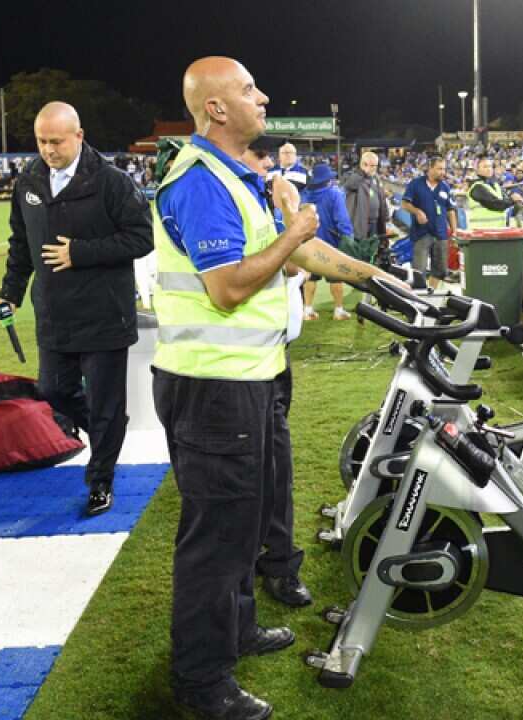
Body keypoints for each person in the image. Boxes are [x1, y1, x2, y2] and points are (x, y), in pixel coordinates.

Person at [152, 57, 399, 719]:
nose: (263, 97)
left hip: (246, 381)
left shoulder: (239, 176)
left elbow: (304, 256)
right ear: (216, 110)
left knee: (243, 524)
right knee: (217, 539)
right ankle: (202, 684)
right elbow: (230, 287)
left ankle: (234, 630)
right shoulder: (202, 182)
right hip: (214, 389)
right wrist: (294, 228)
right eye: (248, 89)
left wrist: (381, 280)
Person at [0, 101, 153, 517]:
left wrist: (80, 253)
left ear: (79, 136)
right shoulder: (27, 181)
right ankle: (110, 428)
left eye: (56, 141)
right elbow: (20, 243)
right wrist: (10, 290)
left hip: (104, 314)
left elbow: (142, 238)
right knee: (53, 391)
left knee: (103, 405)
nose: (48, 149)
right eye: (42, 141)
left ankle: (100, 480)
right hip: (54, 313)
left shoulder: (112, 182)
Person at [237, 139, 313, 610]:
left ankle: (280, 562)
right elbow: (238, 282)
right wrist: (292, 222)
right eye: (260, 161)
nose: (267, 170)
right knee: (247, 477)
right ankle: (250, 571)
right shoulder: (219, 195)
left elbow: (298, 264)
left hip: (272, 355)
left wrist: (373, 278)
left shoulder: (265, 197)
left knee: (277, 468)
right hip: (232, 364)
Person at [299, 163, 354, 320]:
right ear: (327, 179)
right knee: (335, 277)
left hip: (309, 243)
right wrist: (348, 236)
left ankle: (307, 309)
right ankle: (338, 310)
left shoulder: (304, 194)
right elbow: (342, 219)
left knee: (310, 277)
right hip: (330, 244)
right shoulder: (334, 194)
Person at [401, 156, 458, 289]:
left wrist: (454, 231)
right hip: (422, 233)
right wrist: (417, 212)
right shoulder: (415, 184)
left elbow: (451, 210)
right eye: (439, 169)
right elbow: (404, 203)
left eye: (444, 169)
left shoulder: (445, 187)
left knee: (440, 270)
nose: (443, 172)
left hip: (441, 234)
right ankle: (418, 298)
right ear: (430, 168)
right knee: (418, 271)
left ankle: (430, 294)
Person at [341, 151, 392, 265]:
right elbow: (350, 185)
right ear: (363, 164)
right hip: (359, 223)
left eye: (375, 165)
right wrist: (362, 172)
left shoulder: (376, 179)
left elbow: (382, 198)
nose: (374, 168)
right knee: (358, 253)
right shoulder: (351, 175)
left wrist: (387, 218)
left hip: (375, 223)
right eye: (372, 165)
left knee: (372, 252)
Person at [467, 155, 522, 226]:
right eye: (485, 167)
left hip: (498, 230)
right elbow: (494, 204)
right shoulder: (476, 186)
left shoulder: (496, 185)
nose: (489, 169)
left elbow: (506, 203)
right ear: (477, 170)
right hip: (481, 232)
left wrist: (516, 201)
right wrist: (512, 200)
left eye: (490, 166)